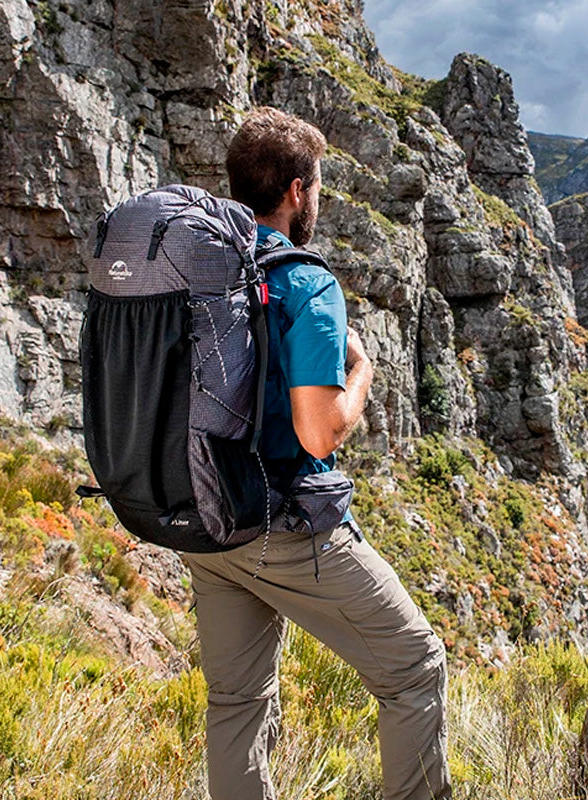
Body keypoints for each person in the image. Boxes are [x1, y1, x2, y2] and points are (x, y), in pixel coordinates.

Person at [182, 106, 452, 800]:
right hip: (279, 524)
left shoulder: (196, 268)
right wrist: (360, 368)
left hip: (202, 516)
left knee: (236, 702)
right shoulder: (306, 281)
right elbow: (318, 434)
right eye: (319, 184)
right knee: (416, 666)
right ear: (299, 191)